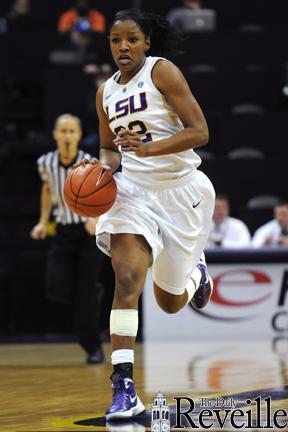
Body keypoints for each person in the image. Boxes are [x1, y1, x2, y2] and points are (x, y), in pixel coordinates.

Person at [79, 8, 215, 419]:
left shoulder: (163, 72)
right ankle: (123, 386)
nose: (123, 46)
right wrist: (94, 173)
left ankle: (196, 274)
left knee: (170, 302)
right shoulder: (105, 92)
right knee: (126, 278)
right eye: (116, 40)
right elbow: (108, 150)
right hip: (133, 192)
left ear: (147, 43)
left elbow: (200, 132)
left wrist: (149, 148)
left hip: (181, 192)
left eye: (132, 39)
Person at [30, 114, 105, 364]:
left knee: (84, 298)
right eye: (63, 131)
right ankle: (89, 292)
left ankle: (93, 348)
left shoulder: (90, 162)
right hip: (63, 230)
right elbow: (47, 190)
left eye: (72, 131)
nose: (67, 136)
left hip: (87, 232)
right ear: (55, 134)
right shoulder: (46, 162)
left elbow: (104, 193)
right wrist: (42, 221)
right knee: (55, 286)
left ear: (80, 135)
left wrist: (95, 218)